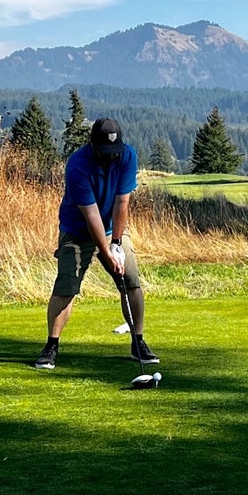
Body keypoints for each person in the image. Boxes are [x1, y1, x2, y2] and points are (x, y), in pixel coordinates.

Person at [34, 117, 159, 371]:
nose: (111, 156)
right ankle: (51, 346)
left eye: (114, 151)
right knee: (66, 285)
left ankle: (138, 342)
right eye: (105, 151)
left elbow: (122, 203)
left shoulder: (127, 156)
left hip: (113, 228)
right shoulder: (77, 164)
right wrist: (106, 253)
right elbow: (91, 216)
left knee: (131, 281)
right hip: (77, 230)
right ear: (92, 145)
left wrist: (116, 245)